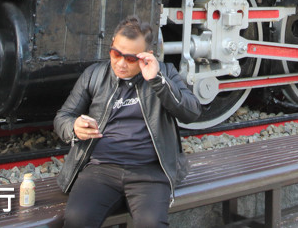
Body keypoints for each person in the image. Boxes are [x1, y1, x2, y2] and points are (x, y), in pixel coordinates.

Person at [54, 16, 202, 227]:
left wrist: (157, 80)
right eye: (116, 54)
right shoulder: (94, 75)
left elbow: (192, 112)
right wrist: (73, 127)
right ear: (112, 44)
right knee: (78, 219)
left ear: (146, 55)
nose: (121, 63)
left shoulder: (165, 72)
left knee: (151, 223)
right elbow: (63, 116)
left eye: (131, 59)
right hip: (100, 168)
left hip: (149, 171)